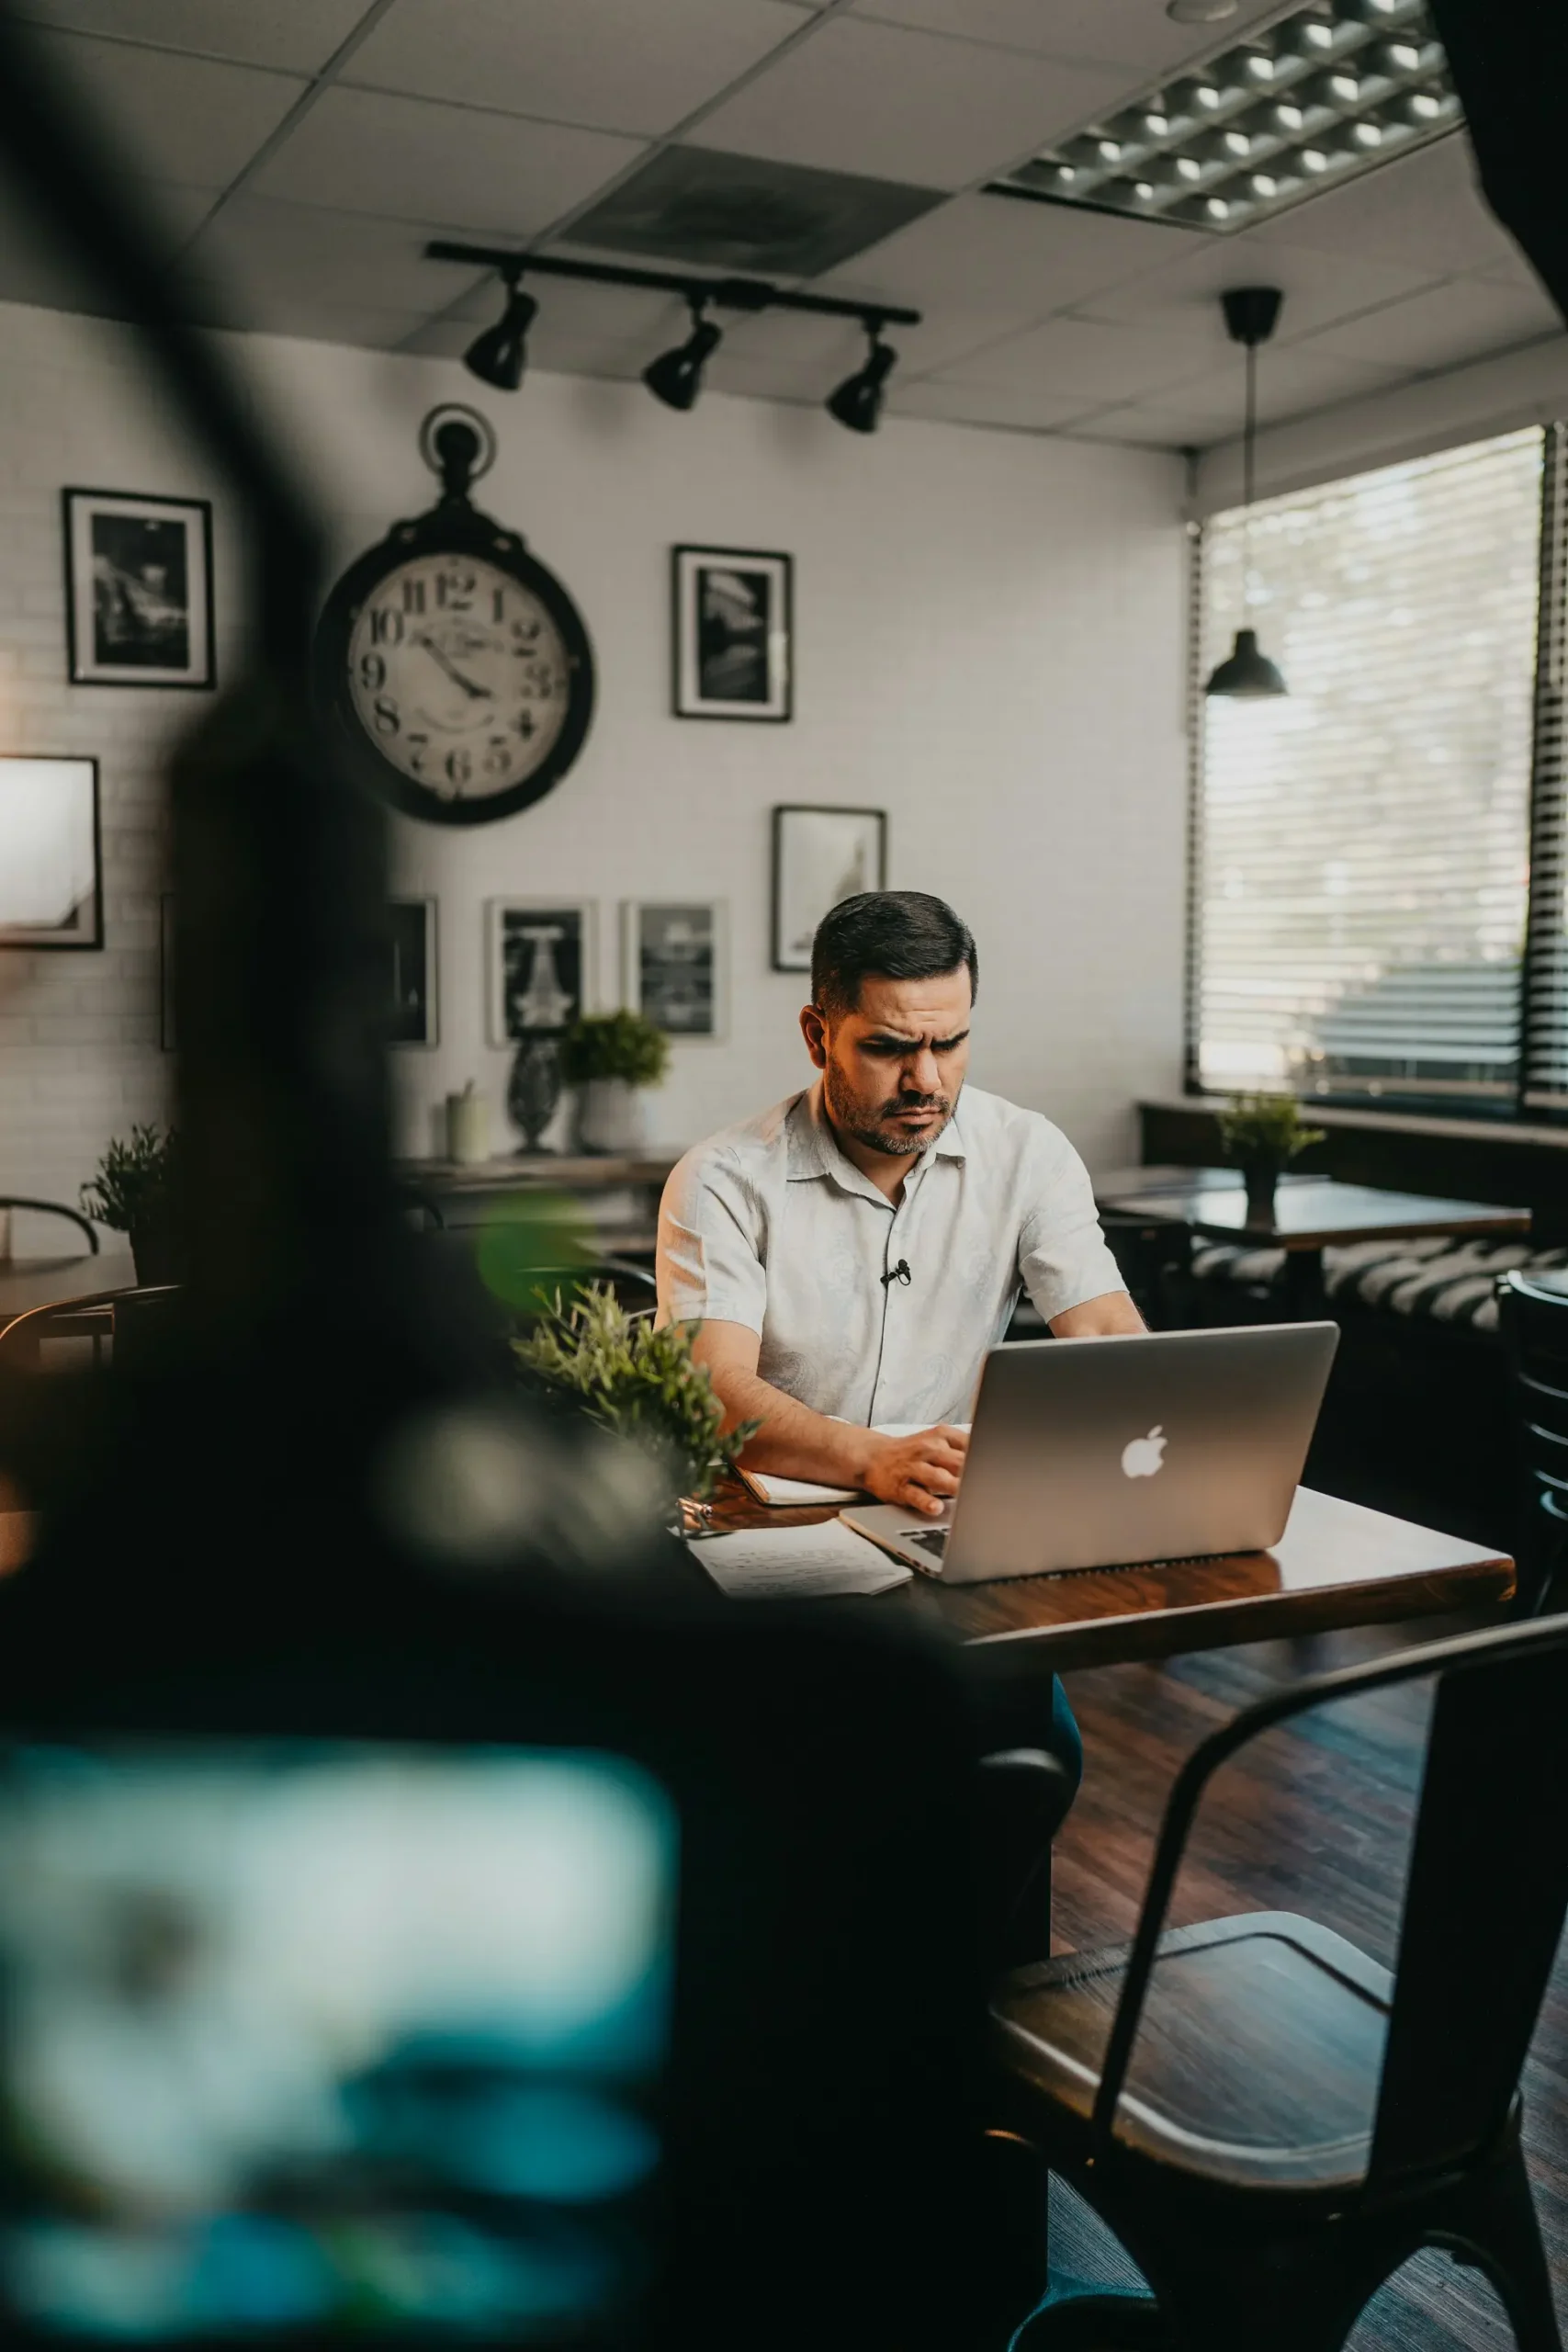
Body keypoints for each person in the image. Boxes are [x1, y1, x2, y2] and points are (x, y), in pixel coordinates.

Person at [657, 889, 1145, 1951]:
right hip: (773, 1547)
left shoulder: (1028, 1152)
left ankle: (968, 2006)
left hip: (947, 1534)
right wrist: (871, 1458)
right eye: (888, 1048)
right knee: (815, 1791)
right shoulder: (724, 1179)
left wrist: (1159, 1430)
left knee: (1031, 1762)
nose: (927, 1079)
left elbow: (1108, 1330)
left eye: (950, 1042)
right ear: (817, 1032)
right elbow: (711, 1387)